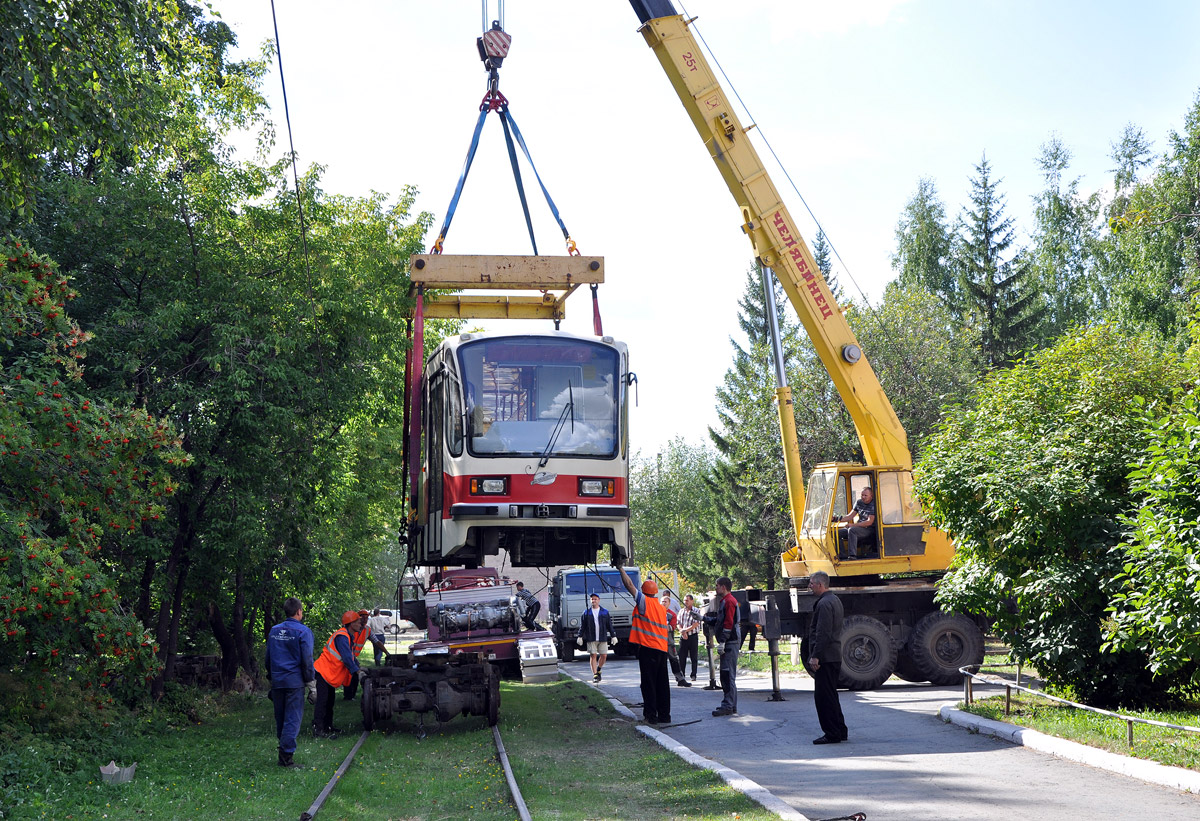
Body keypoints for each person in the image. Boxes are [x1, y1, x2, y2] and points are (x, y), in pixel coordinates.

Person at [617, 562, 671, 724]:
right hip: (662, 649)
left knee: (648, 684)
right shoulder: (661, 608)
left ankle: (651, 716)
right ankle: (664, 716)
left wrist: (620, 568)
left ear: (644, 592)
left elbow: (629, 585)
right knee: (662, 683)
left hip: (648, 648)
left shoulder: (643, 602)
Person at [264, 597, 314, 768]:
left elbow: (268, 658)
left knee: (281, 717)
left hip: (278, 680)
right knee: (292, 718)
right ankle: (286, 757)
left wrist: (271, 677)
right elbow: (307, 660)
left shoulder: (274, 630)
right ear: (299, 611)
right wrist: (311, 683)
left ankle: (283, 749)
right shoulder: (303, 632)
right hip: (294, 682)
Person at [808, 571, 848, 744]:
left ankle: (832, 733)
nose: (809, 587)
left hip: (826, 657)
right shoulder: (834, 599)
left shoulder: (824, 604)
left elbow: (823, 632)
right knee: (831, 695)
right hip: (833, 655)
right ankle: (840, 730)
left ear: (820, 585)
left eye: (811, 583)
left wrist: (816, 656)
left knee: (823, 697)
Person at [312, 610, 365, 738]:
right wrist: (358, 672)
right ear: (351, 623)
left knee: (329, 702)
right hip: (323, 672)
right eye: (358, 622)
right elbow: (346, 658)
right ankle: (318, 730)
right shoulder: (342, 636)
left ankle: (328, 727)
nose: (361, 624)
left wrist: (359, 667)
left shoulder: (347, 636)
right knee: (322, 702)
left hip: (328, 673)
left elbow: (351, 656)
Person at [711, 577, 740, 717]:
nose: (715, 588)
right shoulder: (726, 601)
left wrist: (723, 641)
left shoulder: (729, 601)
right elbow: (720, 621)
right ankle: (731, 705)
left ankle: (728, 705)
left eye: (717, 586)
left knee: (727, 675)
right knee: (727, 674)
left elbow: (728, 623)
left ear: (723, 587)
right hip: (730, 641)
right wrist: (702, 618)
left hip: (730, 642)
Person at [576, 592, 615, 682]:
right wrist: (580, 636)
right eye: (592, 599)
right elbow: (583, 626)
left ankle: (599, 669)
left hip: (602, 637)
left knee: (604, 655)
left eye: (595, 599)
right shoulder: (586, 612)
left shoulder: (604, 612)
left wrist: (613, 636)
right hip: (591, 637)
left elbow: (609, 625)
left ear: (599, 600)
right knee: (593, 655)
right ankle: (595, 675)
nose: (593, 601)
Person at [661, 591, 691, 688]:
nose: (663, 603)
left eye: (665, 602)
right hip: (658, 642)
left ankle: (680, 679)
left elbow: (672, 627)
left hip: (669, 642)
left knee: (674, 660)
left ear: (669, 603)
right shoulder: (656, 612)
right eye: (662, 601)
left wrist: (662, 626)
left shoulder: (672, 615)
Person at [838, 486, 876, 559]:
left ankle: (852, 556)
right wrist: (836, 519)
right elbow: (850, 516)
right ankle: (842, 555)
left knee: (852, 530)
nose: (863, 497)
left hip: (869, 529)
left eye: (865, 495)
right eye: (862, 495)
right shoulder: (859, 502)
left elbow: (869, 522)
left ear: (871, 496)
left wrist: (853, 525)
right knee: (837, 533)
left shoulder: (874, 504)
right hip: (858, 527)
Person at [342, 609, 371, 700]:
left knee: (353, 675)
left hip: (352, 656)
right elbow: (346, 653)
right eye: (362, 618)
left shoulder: (366, 630)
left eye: (367, 618)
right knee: (349, 675)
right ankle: (348, 695)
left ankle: (351, 695)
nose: (365, 620)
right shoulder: (346, 633)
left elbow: (376, 641)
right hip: (348, 657)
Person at [676, 593, 702, 681]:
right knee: (682, 657)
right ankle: (682, 675)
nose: (685, 602)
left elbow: (696, 624)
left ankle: (693, 675)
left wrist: (685, 631)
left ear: (692, 601)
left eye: (687, 600)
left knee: (693, 657)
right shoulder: (681, 611)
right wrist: (682, 631)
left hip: (693, 636)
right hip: (683, 637)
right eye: (684, 600)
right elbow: (678, 623)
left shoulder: (696, 611)